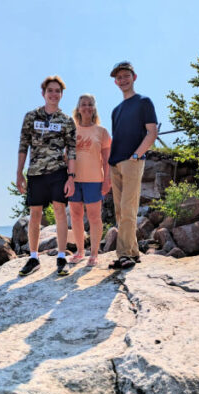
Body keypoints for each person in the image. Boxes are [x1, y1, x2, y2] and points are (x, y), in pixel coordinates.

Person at [16, 75, 78, 277]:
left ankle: (61, 257)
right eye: (50, 90)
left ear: (61, 95)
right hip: (35, 173)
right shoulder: (31, 117)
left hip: (58, 172)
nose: (54, 94)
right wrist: (19, 173)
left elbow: (72, 150)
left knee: (60, 211)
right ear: (43, 93)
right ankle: (33, 257)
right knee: (35, 214)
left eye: (57, 91)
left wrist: (71, 177)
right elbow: (23, 146)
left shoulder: (67, 121)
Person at [107, 61, 157, 269]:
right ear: (115, 82)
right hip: (115, 163)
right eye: (119, 78)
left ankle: (124, 254)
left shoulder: (144, 102)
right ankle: (133, 251)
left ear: (133, 77)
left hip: (132, 161)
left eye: (126, 76)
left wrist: (137, 156)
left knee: (128, 208)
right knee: (120, 210)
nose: (122, 80)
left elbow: (152, 132)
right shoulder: (116, 110)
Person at [67, 94, 112, 266]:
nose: (86, 107)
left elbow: (107, 159)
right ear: (78, 108)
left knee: (94, 217)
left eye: (90, 104)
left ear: (94, 108)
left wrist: (107, 179)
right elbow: (65, 157)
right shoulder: (71, 131)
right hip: (73, 180)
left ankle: (94, 254)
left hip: (94, 180)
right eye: (83, 104)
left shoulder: (102, 132)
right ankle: (79, 252)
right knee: (76, 216)